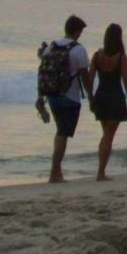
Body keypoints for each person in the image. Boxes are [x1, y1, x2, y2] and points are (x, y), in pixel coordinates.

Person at [37, 15, 94, 184]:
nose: (81, 34)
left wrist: (40, 96)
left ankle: (57, 171)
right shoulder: (79, 50)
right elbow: (85, 78)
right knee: (63, 133)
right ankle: (54, 173)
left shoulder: (51, 47)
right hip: (70, 97)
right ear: (77, 31)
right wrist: (91, 98)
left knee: (60, 131)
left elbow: (42, 73)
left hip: (52, 94)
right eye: (81, 31)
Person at [86, 22, 127, 181]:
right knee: (108, 136)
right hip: (115, 97)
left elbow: (90, 79)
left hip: (101, 96)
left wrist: (90, 99)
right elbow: (126, 82)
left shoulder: (97, 55)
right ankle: (101, 173)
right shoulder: (121, 57)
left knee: (106, 135)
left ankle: (101, 171)